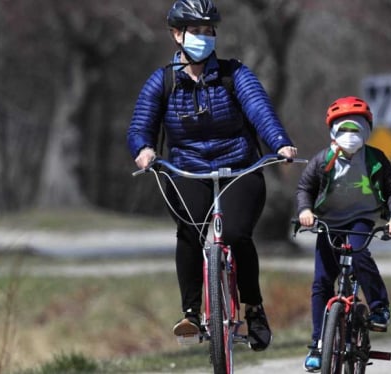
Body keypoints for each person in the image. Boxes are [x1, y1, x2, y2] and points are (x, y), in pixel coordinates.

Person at [127, 0, 297, 352]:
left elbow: (260, 110)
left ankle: (254, 309)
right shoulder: (162, 82)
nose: (205, 38)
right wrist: (144, 150)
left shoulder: (235, 75)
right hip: (187, 168)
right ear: (177, 34)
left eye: (209, 31)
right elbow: (140, 126)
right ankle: (190, 312)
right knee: (189, 232)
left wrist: (280, 144)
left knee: (236, 234)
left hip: (239, 167)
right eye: (196, 31)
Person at [296, 96, 391, 371]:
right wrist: (305, 211)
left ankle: (379, 307)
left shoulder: (375, 159)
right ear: (332, 132)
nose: (350, 135)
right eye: (344, 129)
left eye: (356, 129)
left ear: (367, 131)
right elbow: (304, 189)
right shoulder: (323, 160)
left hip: (361, 218)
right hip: (328, 222)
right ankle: (317, 345)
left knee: (359, 255)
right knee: (322, 282)